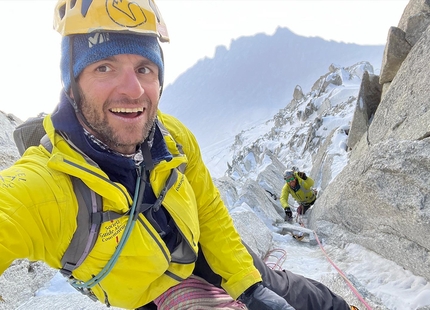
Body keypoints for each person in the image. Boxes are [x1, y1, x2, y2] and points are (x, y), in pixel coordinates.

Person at [0, 1, 355, 309]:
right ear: (72, 82)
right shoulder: (43, 189)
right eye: (104, 67)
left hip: (198, 246)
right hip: (144, 293)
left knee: (289, 291)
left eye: (144, 69)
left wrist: (247, 286)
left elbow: (208, 209)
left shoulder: (173, 137)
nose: (133, 90)